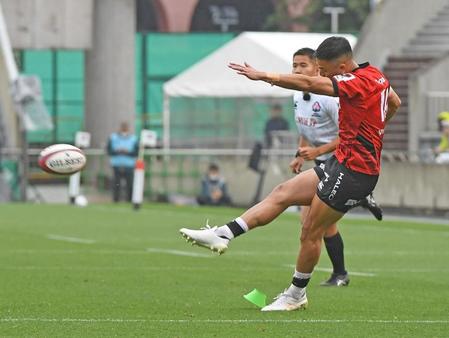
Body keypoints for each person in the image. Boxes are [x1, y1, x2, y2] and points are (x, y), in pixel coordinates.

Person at [180, 36, 401, 311]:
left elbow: (310, 83)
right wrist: (375, 127)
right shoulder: (375, 74)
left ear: (343, 66)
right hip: (341, 162)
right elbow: (394, 102)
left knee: (311, 230)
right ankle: (223, 234)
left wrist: (264, 76)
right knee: (283, 192)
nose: (322, 74)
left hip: (356, 172)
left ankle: (296, 295)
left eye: (325, 70)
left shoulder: (355, 82)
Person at [290, 47, 383, 286]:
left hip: (338, 163)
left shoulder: (331, 97)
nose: (298, 70)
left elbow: (349, 135)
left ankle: (325, 278)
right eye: (295, 66)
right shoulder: (298, 95)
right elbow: (306, 127)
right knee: (315, 224)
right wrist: (300, 153)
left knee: (313, 224)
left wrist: (318, 151)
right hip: (322, 162)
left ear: (317, 68)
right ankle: (338, 273)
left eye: (304, 66)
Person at [107, 122, 138, 202]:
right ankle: (116, 200)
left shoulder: (133, 138)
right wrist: (118, 151)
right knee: (116, 184)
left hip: (129, 165)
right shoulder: (113, 137)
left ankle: (129, 200)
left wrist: (127, 152)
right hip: (117, 164)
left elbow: (136, 152)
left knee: (130, 184)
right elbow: (109, 150)